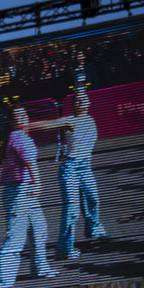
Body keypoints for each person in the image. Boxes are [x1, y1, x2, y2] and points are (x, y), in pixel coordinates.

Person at [0, 109, 57, 288]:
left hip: (21, 190)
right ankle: (1, 284)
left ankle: (40, 269)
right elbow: (30, 162)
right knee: (16, 239)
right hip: (20, 191)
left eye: (24, 115)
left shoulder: (14, 136)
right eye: (17, 116)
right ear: (11, 121)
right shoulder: (19, 137)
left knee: (39, 228)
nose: (22, 118)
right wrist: (38, 182)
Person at [55, 92, 106, 259]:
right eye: (76, 100)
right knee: (72, 209)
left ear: (89, 102)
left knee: (92, 199)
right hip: (70, 167)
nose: (80, 102)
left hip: (85, 167)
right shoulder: (70, 120)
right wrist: (28, 126)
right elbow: (51, 124)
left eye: (83, 99)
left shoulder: (90, 120)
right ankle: (65, 247)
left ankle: (94, 229)